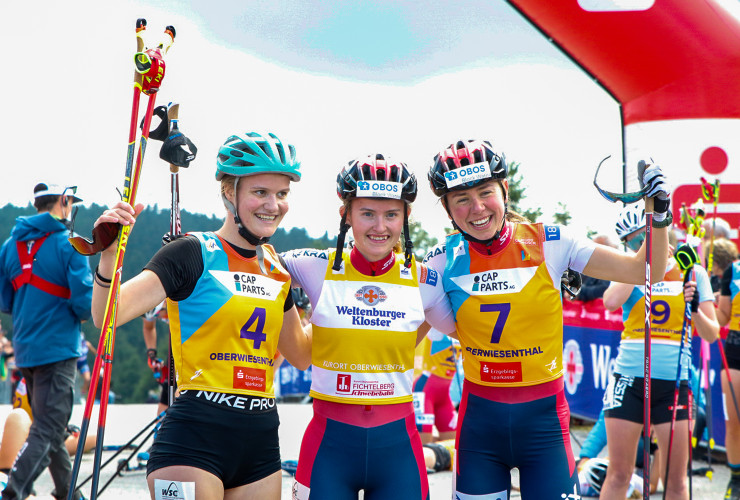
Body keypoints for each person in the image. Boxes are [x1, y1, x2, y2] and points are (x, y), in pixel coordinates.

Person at [422, 139, 672, 499]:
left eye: (485, 192)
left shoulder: (550, 242)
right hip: (480, 427)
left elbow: (646, 269)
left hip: (544, 426)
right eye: (461, 198)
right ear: (447, 208)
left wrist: (658, 214)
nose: (476, 207)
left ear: (504, 190)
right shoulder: (441, 260)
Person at [88, 132, 312, 500]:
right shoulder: (192, 251)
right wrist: (110, 256)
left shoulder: (277, 268)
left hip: (260, 442)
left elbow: (302, 355)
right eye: (260, 192)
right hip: (194, 439)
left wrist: (336, 299)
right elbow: (107, 316)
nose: (273, 204)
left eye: (282, 194)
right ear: (229, 192)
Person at [281, 153, 457, 500]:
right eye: (367, 214)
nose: (380, 227)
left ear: (406, 217)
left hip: (399, 452)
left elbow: (474, 333)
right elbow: (245, 261)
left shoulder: (426, 281)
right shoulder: (312, 266)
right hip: (328, 448)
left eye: (391, 214)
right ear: (345, 214)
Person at [600, 203, 719, 500]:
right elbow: (610, 302)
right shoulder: (628, 269)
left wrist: (693, 308)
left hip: (673, 385)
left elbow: (711, 332)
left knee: (676, 481)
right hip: (629, 380)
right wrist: (637, 268)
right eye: (635, 242)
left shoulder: (692, 271)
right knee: (619, 474)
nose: (643, 246)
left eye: (647, 238)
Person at [0, 183, 92, 500]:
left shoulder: (10, 245)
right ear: (63, 201)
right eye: (71, 203)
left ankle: (69, 494)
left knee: (47, 426)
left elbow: (6, 301)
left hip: (26, 349)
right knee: (50, 427)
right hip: (58, 348)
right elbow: (84, 304)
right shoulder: (70, 244)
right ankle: (12, 492)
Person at [717, 245, 740, 499]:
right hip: (735, 351)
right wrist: (700, 303)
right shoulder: (733, 271)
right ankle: (736, 480)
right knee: (734, 423)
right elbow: (722, 317)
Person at [412, 328, 459, 444]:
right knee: (423, 445)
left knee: (452, 445)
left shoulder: (461, 326)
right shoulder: (437, 326)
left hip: (444, 394)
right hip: (425, 391)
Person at [573, 234, 616, 302]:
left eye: (596, 249)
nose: (593, 252)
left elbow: (603, 289)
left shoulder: (611, 267)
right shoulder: (589, 265)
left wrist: (579, 292)